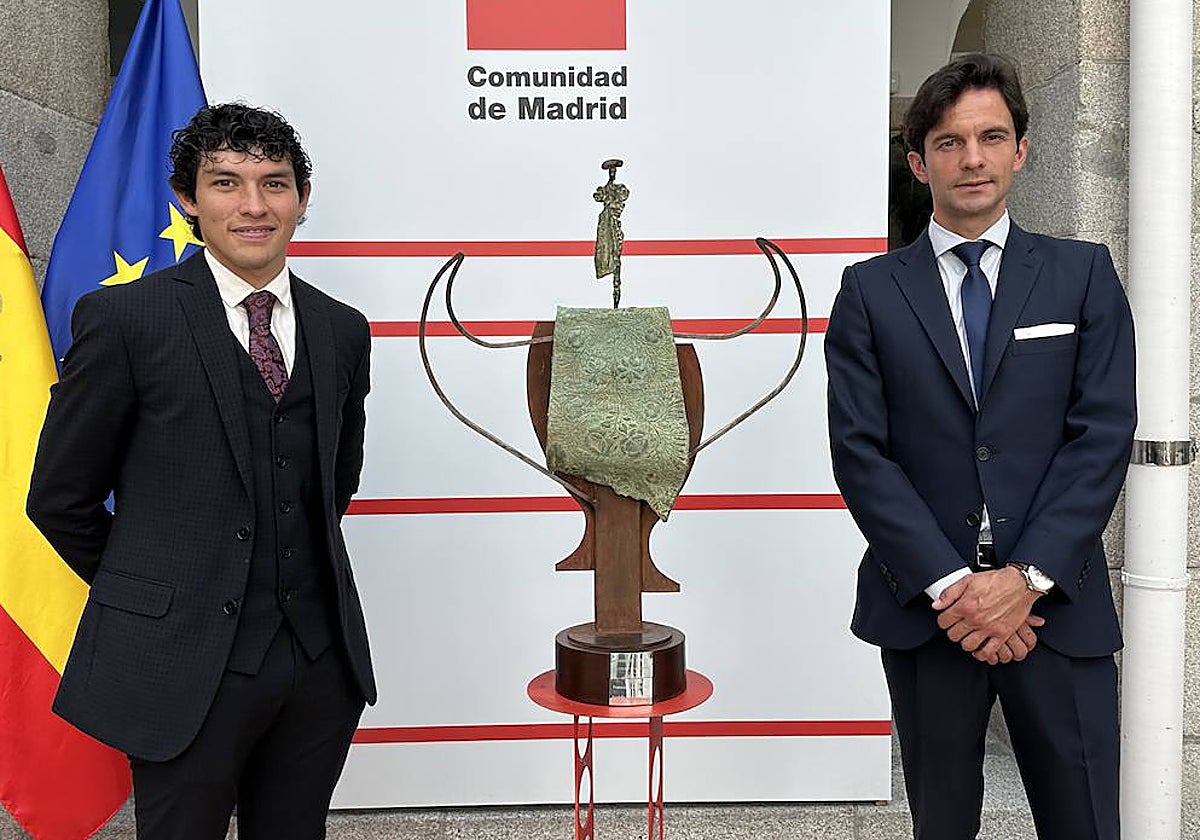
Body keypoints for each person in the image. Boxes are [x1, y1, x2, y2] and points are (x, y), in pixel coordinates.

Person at [27, 103, 375, 840]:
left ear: (302, 201)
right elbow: (60, 499)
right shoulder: (126, 321)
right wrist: (156, 590)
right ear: (187, 199)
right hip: (180, 665)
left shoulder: (343, 329)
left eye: (275, 184)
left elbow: (334, 480)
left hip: (318, 665)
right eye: (226, 183)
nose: (253, 206)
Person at [825, 53, 1135, 840]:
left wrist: (1024, 580)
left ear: (1021, 149)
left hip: (1055, 612)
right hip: (932, 616)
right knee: (942, 826)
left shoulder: (1082, 275)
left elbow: (1099, 437)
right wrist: (955, 588)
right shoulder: (869, 291)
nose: (972, 158)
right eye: (949, 141)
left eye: (991, 136)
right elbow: (862, 454)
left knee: (1087, 823)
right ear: (917, 160)